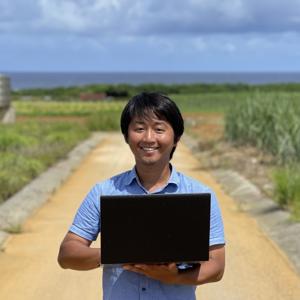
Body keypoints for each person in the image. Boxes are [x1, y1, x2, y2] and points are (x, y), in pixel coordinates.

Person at [58, 92, 225, 300]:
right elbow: (67, 254)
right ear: (127, 136)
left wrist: (173, 276)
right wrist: (119, 254)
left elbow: (217, 266)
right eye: (139, 128)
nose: (148, 138)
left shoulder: (200, 194)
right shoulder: (103, 192)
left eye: (159, 129)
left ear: (176, 138)